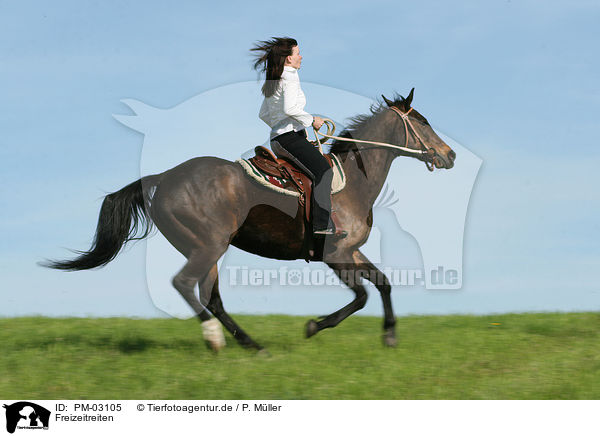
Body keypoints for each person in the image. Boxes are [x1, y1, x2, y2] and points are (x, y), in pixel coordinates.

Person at [251, 37, 344, 237]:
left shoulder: (274, 78)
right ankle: (321, 225)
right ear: (288, 59)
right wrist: (312, 120)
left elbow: (263, 114)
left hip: (279, 139)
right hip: (288, 138)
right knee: (324, 170)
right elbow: (290, 108)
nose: (301, 57)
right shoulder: (290, 75)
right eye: (297, 53)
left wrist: (281, 126)